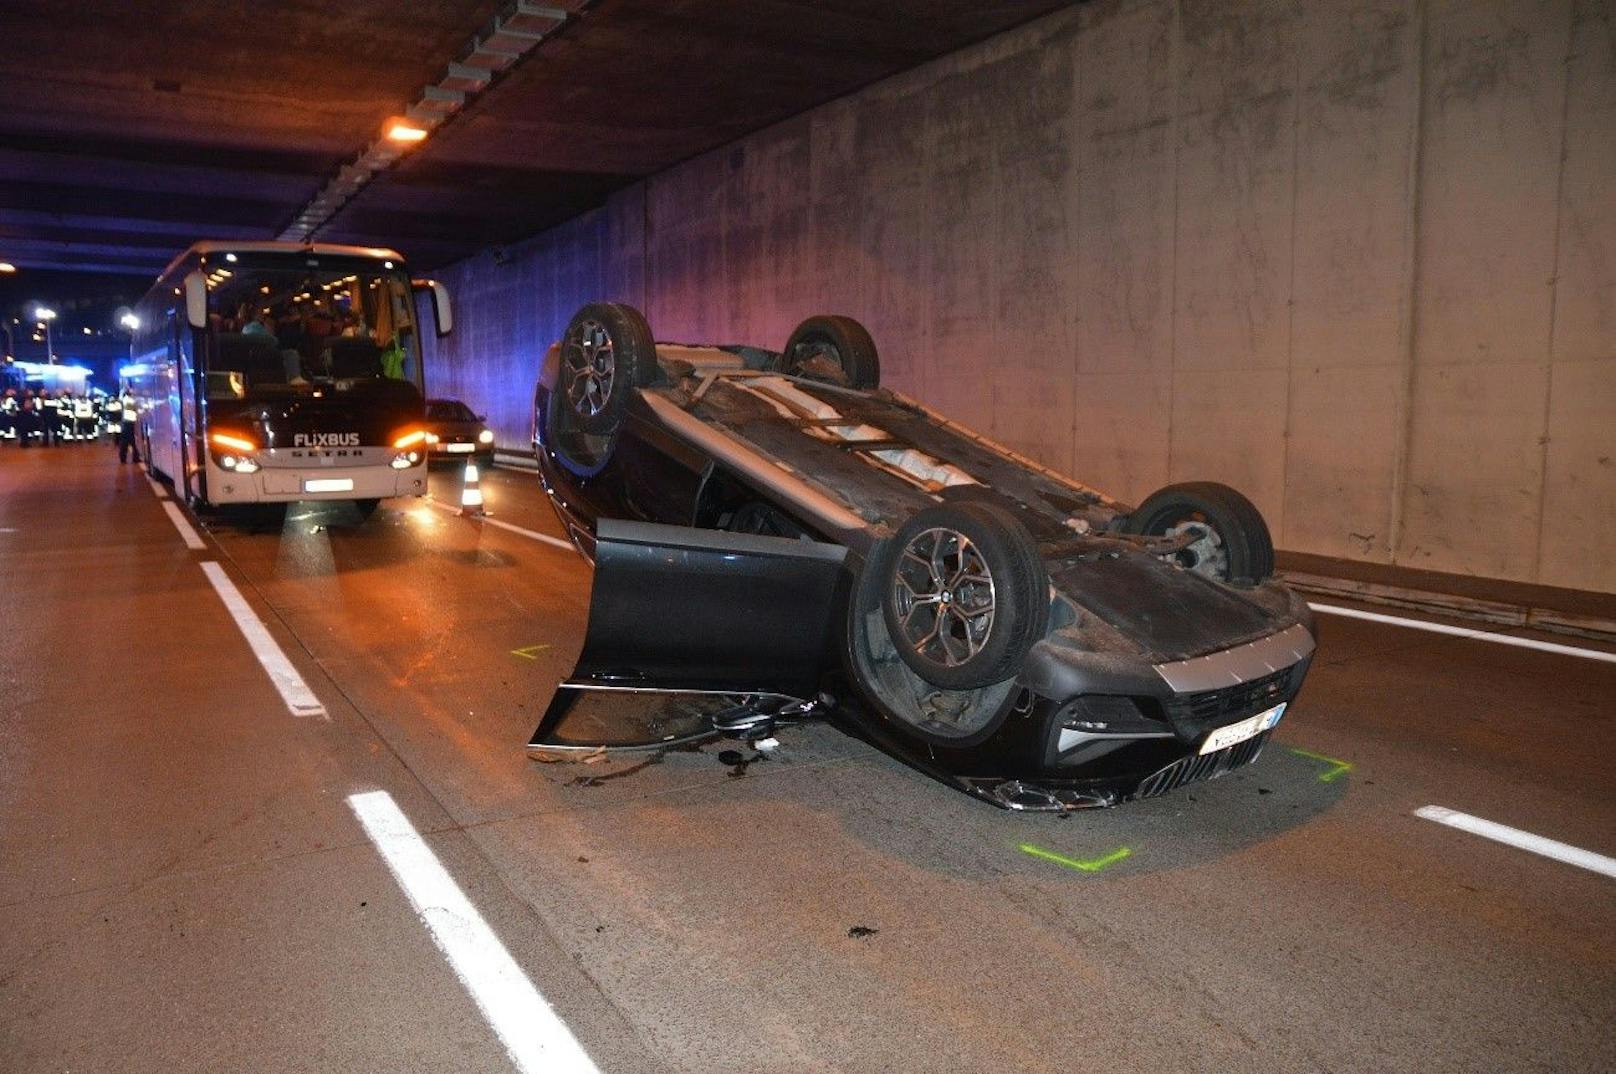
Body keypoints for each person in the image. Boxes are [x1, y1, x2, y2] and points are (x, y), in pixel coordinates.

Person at [117, 390, 140, 464]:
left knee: (126, 442)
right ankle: (134, 458)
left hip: (126, 423)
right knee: (131, 442)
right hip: (129, 423)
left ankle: (124, 459)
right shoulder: (129, 400)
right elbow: (134, 408)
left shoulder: (124, 399)